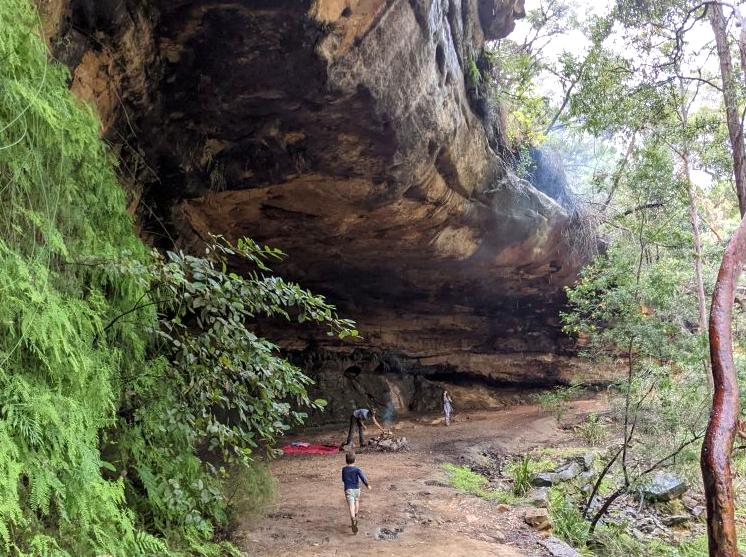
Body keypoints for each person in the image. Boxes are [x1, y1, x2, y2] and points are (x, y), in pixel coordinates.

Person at [342, 451, 370, 534]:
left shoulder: (344, 469)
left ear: (346, 460)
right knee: (357, 501)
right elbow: (363, 477)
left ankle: (353, 518)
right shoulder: (357, 469)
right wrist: (367, 485)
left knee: (351, 505)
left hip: (348, 489)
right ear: (355, 460)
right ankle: (356, 514)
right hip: (357, 489)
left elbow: (343, 479)